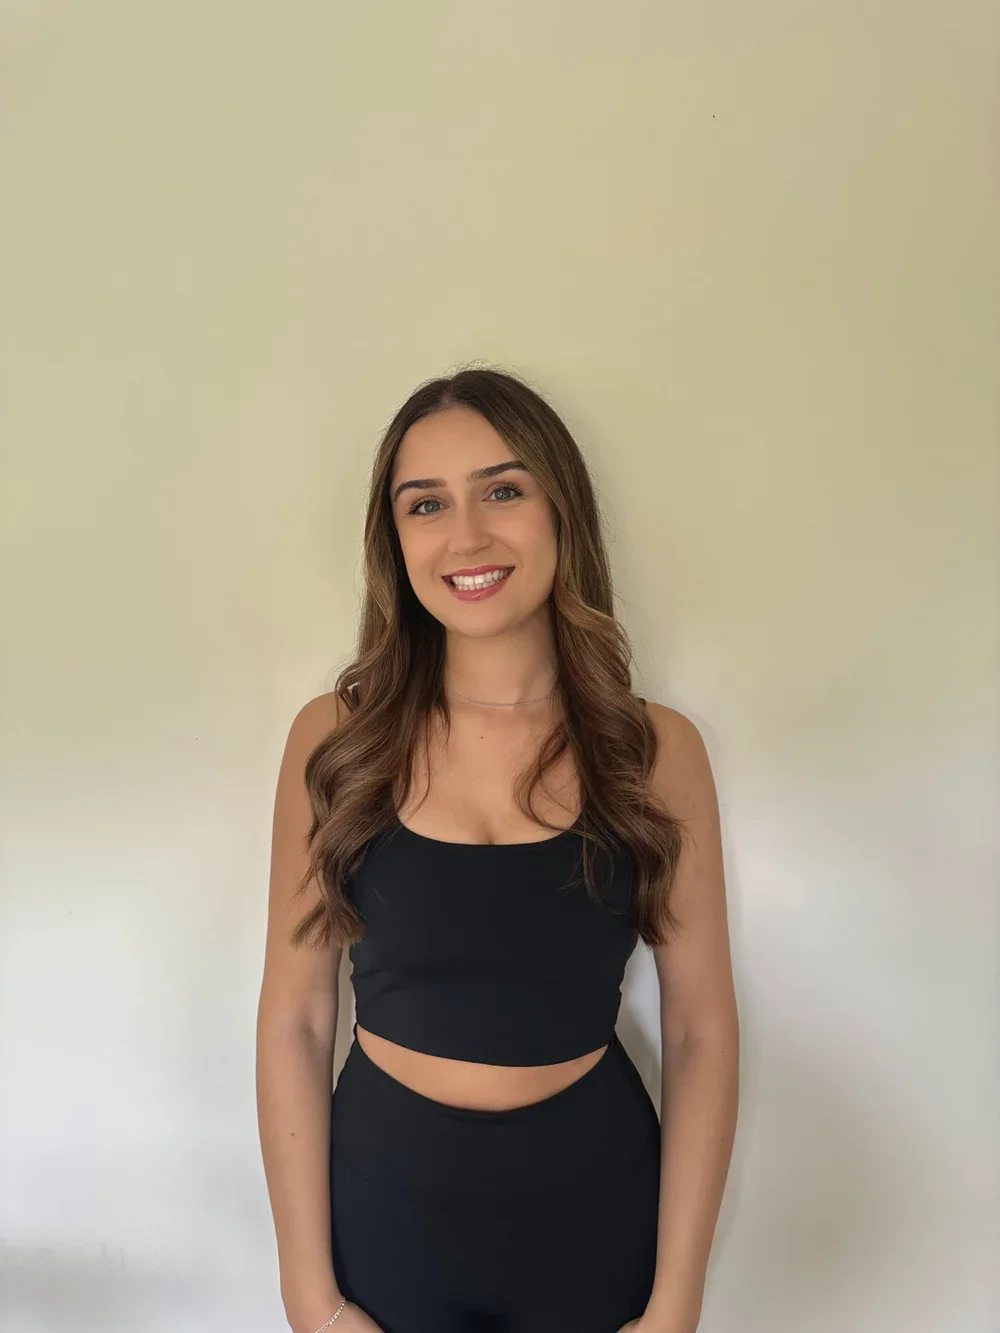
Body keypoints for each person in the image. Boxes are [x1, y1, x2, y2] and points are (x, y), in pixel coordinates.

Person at [256, 367, 740, 1333]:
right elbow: (297, 1020)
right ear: (394, 540)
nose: (467, 536)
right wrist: (309, 1296)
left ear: (562, 508)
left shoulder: (655, 750)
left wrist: (676, 1301)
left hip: (595, 1215)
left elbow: (700, 1031)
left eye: (503, 490)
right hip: (383, 1215)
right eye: (426, 504)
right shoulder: (337, 737)